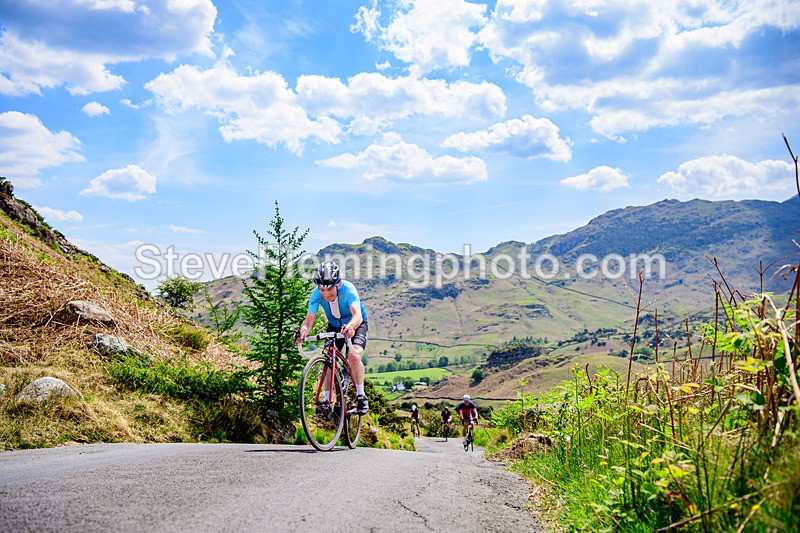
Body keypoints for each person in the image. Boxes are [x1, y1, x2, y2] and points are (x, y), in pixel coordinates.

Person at [296, 261, 369, 415]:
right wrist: (303, 332)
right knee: (328, 358)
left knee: (353, 357)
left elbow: (357, 316)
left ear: (338, 284)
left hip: (355, 324)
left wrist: (350, 327)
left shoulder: (348, 290)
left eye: (329, 289)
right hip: (335, 326)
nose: (326, 294)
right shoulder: (316, 294)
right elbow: (309, 321)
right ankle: (327, 399)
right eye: (322, 289)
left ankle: (361, 396)